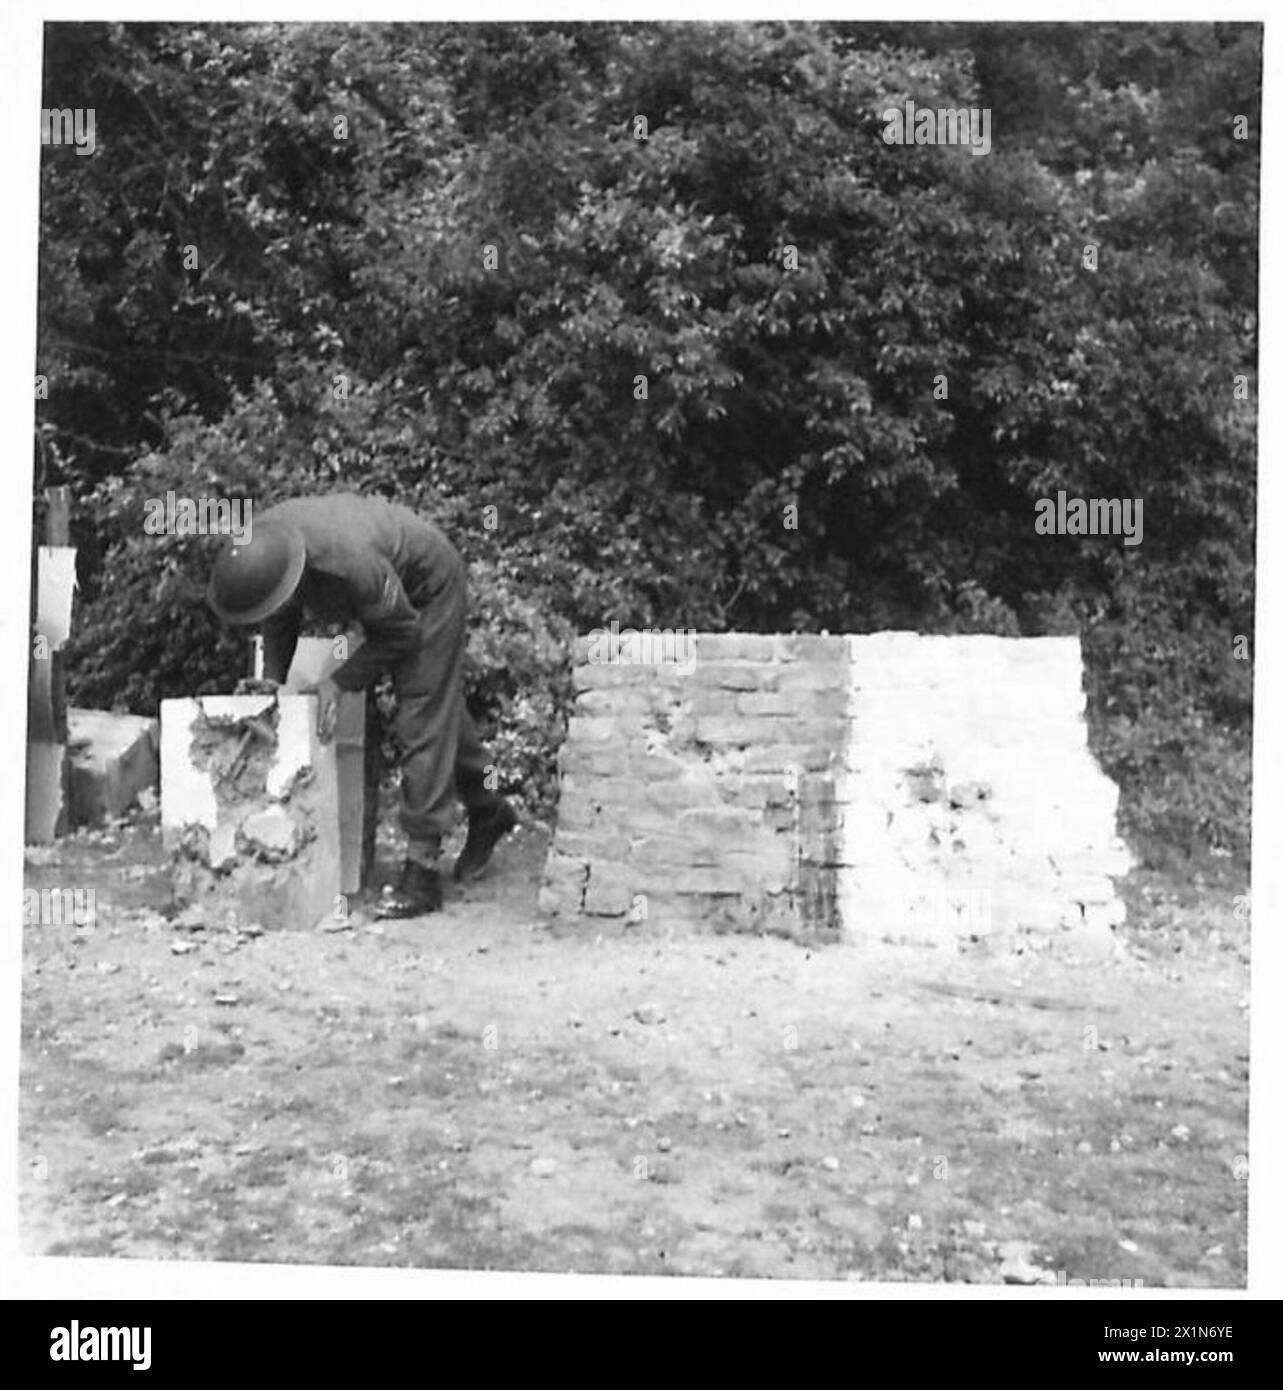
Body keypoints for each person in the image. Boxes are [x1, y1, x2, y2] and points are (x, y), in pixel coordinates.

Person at [206, 493, 516, 917]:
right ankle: (490, 808)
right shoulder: (269, 547)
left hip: (428, 589)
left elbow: (401, 633)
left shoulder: (349, 563)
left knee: (422, 712)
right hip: (385, 588)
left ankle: (423, 870)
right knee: (439, 708)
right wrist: (272, 682)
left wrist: (339, 681)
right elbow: (279, 613)